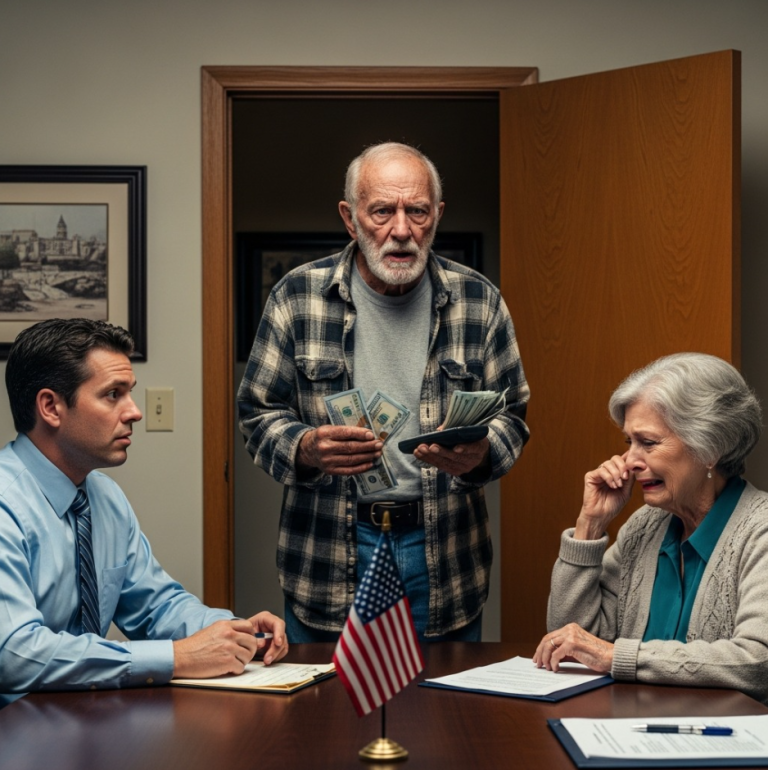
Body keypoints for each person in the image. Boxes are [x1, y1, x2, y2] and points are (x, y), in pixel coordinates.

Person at [238, 141, 529, 642]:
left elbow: (514, 415)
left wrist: (482, 453)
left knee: (439, 694)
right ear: (350, 219)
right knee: (327, 693)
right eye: (381, 212)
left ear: (436, 215)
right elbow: (257, 414)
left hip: (444, 555)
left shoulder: (479, 300)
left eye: (417, 211)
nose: (401, 230)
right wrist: (306, 447)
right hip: (327, 551)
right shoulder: (296, 295)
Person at [0, 318, 288, 709]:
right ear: (51, 407)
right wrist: (178, 658)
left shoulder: (104, 497)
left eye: (129, 393)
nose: (135, 412)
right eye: (113, 395)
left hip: (84, 717)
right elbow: (15, 655)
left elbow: (155, 605)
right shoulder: (5, 504)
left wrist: (231, 632)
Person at [533, 352, 768, 704]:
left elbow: (757, 662)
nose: (629, 461)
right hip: (632, 724)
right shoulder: (644, 526)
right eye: (629, 442)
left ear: (711, 448)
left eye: (648, 443)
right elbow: (574, 639)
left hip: (725, 732)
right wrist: (590, 525)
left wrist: (617, 656)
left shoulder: (760, 530)